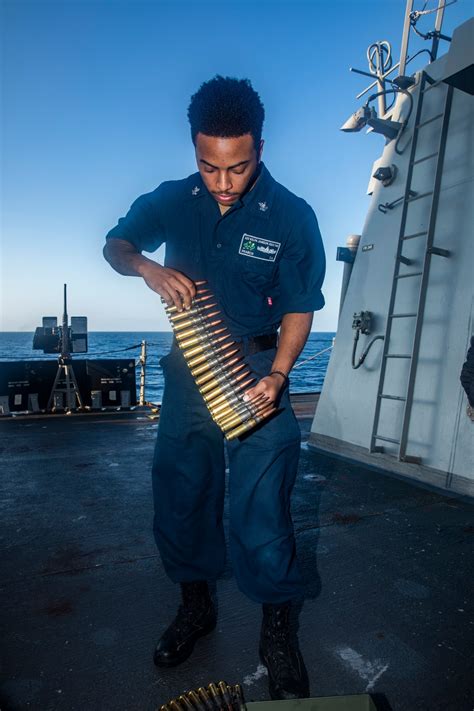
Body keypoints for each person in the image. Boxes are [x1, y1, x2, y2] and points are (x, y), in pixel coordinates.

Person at [103, 76, 325, 700]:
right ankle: (195, 608)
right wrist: (147, 267)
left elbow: (301, 306)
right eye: (209, 167)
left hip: (258, 378)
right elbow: (115, 245)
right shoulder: (174, 199)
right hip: (187, 378)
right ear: (194, 151)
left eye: (237, 167)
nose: (223, 183)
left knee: (264, 517)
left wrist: (280, 376)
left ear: (260, 147)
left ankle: (277, 631)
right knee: (180, 502)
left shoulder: (291, 215)